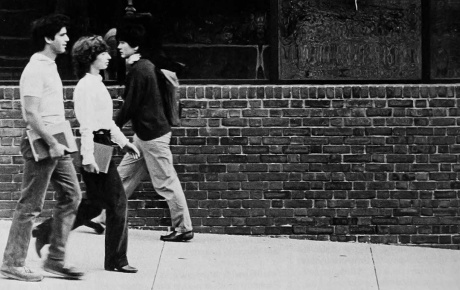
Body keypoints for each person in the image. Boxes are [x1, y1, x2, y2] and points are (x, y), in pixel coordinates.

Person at [33, 35, 140, 273]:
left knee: (95, 204)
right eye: (103, 53)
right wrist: (89, 157)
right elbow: (86, 126)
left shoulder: (97, 83)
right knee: (118, 203)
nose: (109, 57)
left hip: (102, 145)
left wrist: (123, 143)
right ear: (92, 57)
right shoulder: (85, 87)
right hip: (95, 147)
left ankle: (45, 231)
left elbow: (106, 122)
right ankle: (116, 260)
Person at [0, 14, 84, 282]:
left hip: (55, 144)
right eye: (62, 34)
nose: (67, 39)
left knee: (72, 196)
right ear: (48, 39)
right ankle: (12, 263)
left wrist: (58, 143)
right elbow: (31, 115)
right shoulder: (35, 68)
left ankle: (55, 260)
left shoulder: (50, 66)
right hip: (43, 144)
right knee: (30, 205)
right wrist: (52, 142)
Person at [115, 23, 193, 242]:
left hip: (153, 136)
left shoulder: (140, 70)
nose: (119, 46)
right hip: (145, 135)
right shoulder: (145, 66)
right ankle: (102, 217)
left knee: (165, 182)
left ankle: (183, 228)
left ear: (135, 45)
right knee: (124, 177)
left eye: (123, 42)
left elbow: (129, 105)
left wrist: (112, 128)